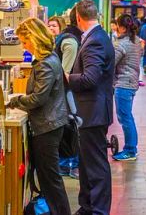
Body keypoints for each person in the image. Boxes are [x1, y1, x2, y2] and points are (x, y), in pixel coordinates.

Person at [8, 18, 71, 215]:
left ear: (34, 39)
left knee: (50, 179)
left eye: (24, 41)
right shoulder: (49, 59)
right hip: (50, 124)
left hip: (47, 126)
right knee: (48, 178)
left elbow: (38, 99)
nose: (23, 46)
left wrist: (16, 100)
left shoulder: (45, 64)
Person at [68, 0, 115, 215]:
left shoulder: (94, 41)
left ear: (78, 17)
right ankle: (87, 207)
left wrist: (67, 77)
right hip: (92, 111)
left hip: (92, 112)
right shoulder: (98, 37)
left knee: (95, 166)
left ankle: (98, 210)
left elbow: (90, 79)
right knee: (87, 164)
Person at [50, 10, 81, 177]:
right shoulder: (70, 39)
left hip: (68, 92)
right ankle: (69, 164)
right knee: (70, 126)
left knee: (71, 126)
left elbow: (65, 72)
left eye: (53, 25)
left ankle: (71, 164)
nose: (50, 28)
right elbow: (64, 72)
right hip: (68, 91)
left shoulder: (68, 40)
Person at [112, 14, 144, 161]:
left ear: (122, 27)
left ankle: (130, 150)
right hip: (132, 83)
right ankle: (132, 148)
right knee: (127, 116)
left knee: (125, 117)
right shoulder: (136, 41)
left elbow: (110, 64)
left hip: (123, 84)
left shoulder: (121, 44)